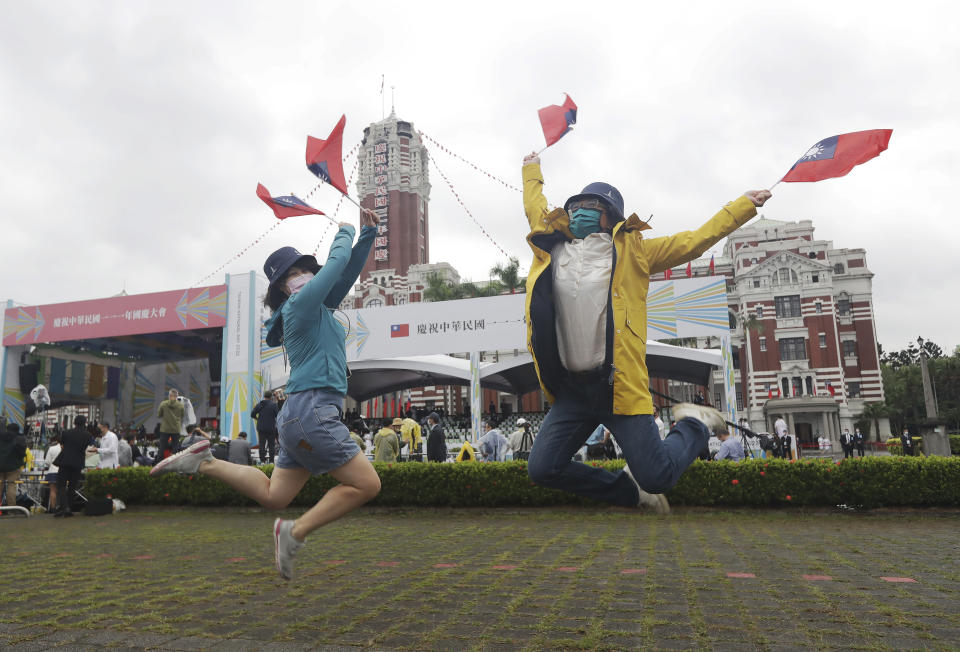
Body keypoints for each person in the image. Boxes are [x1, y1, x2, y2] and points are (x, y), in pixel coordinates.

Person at [520, 151, 770, 513]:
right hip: (572, 389)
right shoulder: (553, 249)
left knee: (658, 477)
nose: (580, 210)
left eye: (593, 205)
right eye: (577, 204)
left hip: (618, 385)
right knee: (542, 468)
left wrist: (741, 207)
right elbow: (534, 204)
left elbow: (694, 241)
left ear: (612, 217)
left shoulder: (636, 253)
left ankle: (695, 424)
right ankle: (627, 493)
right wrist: (531, 167)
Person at [151, 210, 382, 580]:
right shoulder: (303, 305)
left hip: (296, 414)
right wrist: (346, 229)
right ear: (281, 288)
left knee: (276, 496)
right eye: (293, 273)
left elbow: (345, 272)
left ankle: (205, 462)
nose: (303, 276)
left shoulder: (313, 307)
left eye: (304, 270)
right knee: (367, 484)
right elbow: (337, 262)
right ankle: (296, 532)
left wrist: (368, 234)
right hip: (314, 409)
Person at [55, 416, 91, 517]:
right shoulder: (88, 435)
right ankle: (68, 508)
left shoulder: (66, 432)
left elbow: (62, 445)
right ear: (85, 423)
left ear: (74, 422)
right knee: (72, 486)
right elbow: (85, 447)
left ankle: (64, 507)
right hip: (78, 462)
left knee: (61, 485)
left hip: (65, 461)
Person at [0, 423, 27, 510]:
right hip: (13, 467)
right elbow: (22, 452)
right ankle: (11, 508)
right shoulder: (19, 438)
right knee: (11, 486)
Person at [250, 390, 280, 465]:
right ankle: (271, 462)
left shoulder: (260, 404)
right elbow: (278, 415)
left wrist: (257, 419)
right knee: (271, 445)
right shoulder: (274, 405)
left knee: (262, 444)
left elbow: (252, 414)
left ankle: (262, 461)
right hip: (271, 427)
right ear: (271, 397)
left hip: (261, 428)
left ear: (264, 396)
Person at [156, 389, 184, 462]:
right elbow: (182, 416)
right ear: (177, 396)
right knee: (176, 447)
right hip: (176, 429)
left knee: (162, 447)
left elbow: (159, 415)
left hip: (165, 429)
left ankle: (159, 464)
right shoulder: (181, 406)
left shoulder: (163, 404)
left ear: (169, 396)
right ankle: (174, 461)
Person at [44, 435, 62, 511]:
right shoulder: (67, 448)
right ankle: (62, 507)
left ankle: (53, 508)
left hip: (53, 471)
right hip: (63, 472)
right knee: (63, 490)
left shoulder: (52, 448)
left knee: (53, 491)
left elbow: (47, 462)